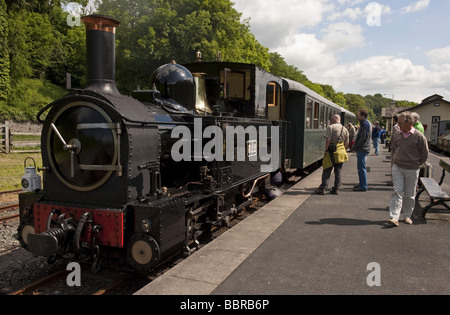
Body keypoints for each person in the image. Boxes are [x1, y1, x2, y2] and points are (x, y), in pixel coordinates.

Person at [388, 112, 429, 227]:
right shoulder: (398, 134)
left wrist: (416, 163)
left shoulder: (419, 136)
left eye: (400, 123)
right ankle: (394, 217)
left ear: (409, 123)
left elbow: (424, 154)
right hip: (398, 167)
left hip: (412, 169)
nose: (398, 125)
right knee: (397, 191)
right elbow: (394, 148)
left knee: (410, 193)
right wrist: (396, 159)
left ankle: (407, 216)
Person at [315, 114, 350, 195]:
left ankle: (323, 188)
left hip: (331, 151)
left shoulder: (331, 127)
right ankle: (336, 189)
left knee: (327, 169)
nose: (331, 120)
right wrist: (343, 149)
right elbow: (347, 143)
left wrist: (326, 150)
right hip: (341, 152)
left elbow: (328, 140)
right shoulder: (345, 129)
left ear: (335, 119)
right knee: (338, 171)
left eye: (331, 118)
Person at [353, 109, 371, 192]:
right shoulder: (366, 123)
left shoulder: (364, 124)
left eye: (358, 115)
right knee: (361, 167)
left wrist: (356, 147)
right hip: (364, 148)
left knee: (361, 168)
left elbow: (363, 138)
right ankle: (362, 184)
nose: (357, 116)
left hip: (362, 148)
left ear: (363, 116)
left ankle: (363, 185)